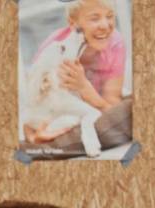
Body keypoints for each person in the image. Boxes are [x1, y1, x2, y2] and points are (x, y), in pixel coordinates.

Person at [24, 0, 127, 144]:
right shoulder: (54, 48)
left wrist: (84, 88)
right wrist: (34, 137)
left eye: (110, 16)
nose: (105, 25)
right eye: (94, 18)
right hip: (63, 114)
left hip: (93, 109)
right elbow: (33, 106)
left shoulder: (115, 42)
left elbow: (113, 109)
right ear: (73, 23)